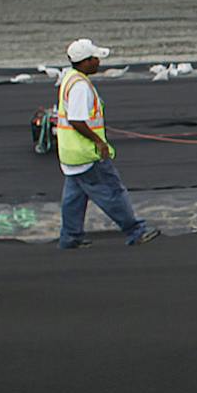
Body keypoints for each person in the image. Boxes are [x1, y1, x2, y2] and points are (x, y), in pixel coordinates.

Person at [56, 38, 158, 249]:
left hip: (70, 154)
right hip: (86, 153)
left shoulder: (69, 78)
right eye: (94, 59)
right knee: (112, 192)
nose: (98, 62)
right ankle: (135, 231)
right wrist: (99, 142)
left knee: (73, 198)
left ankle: (70, 237)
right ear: (85, 62)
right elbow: (76, 120)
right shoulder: (80, 87)